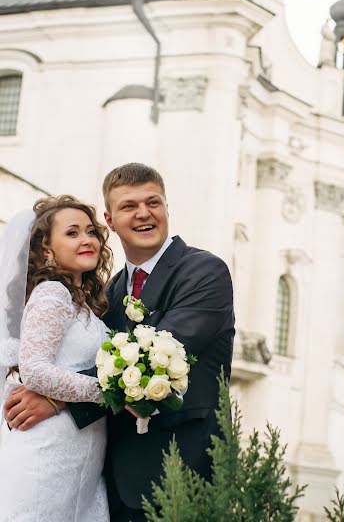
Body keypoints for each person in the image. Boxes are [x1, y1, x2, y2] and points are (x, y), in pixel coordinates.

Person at [5, 163, 235, 522]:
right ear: (111, 221)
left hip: (181, 468)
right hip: (106, 474)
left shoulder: (204, 272)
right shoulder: (108, 292)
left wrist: (57, 397)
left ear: (166, 209)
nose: (144, 213)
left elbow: (156, 356)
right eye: (129, 206)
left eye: (153, 202)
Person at [0, 195, 113, 522]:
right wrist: (110, 391)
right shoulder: (52, 293)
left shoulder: (83, 303)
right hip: (47, 453)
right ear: (46, 250)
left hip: (80, 455)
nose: (87, 239)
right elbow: (35, 372)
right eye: (72, 233)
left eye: (91, 231)